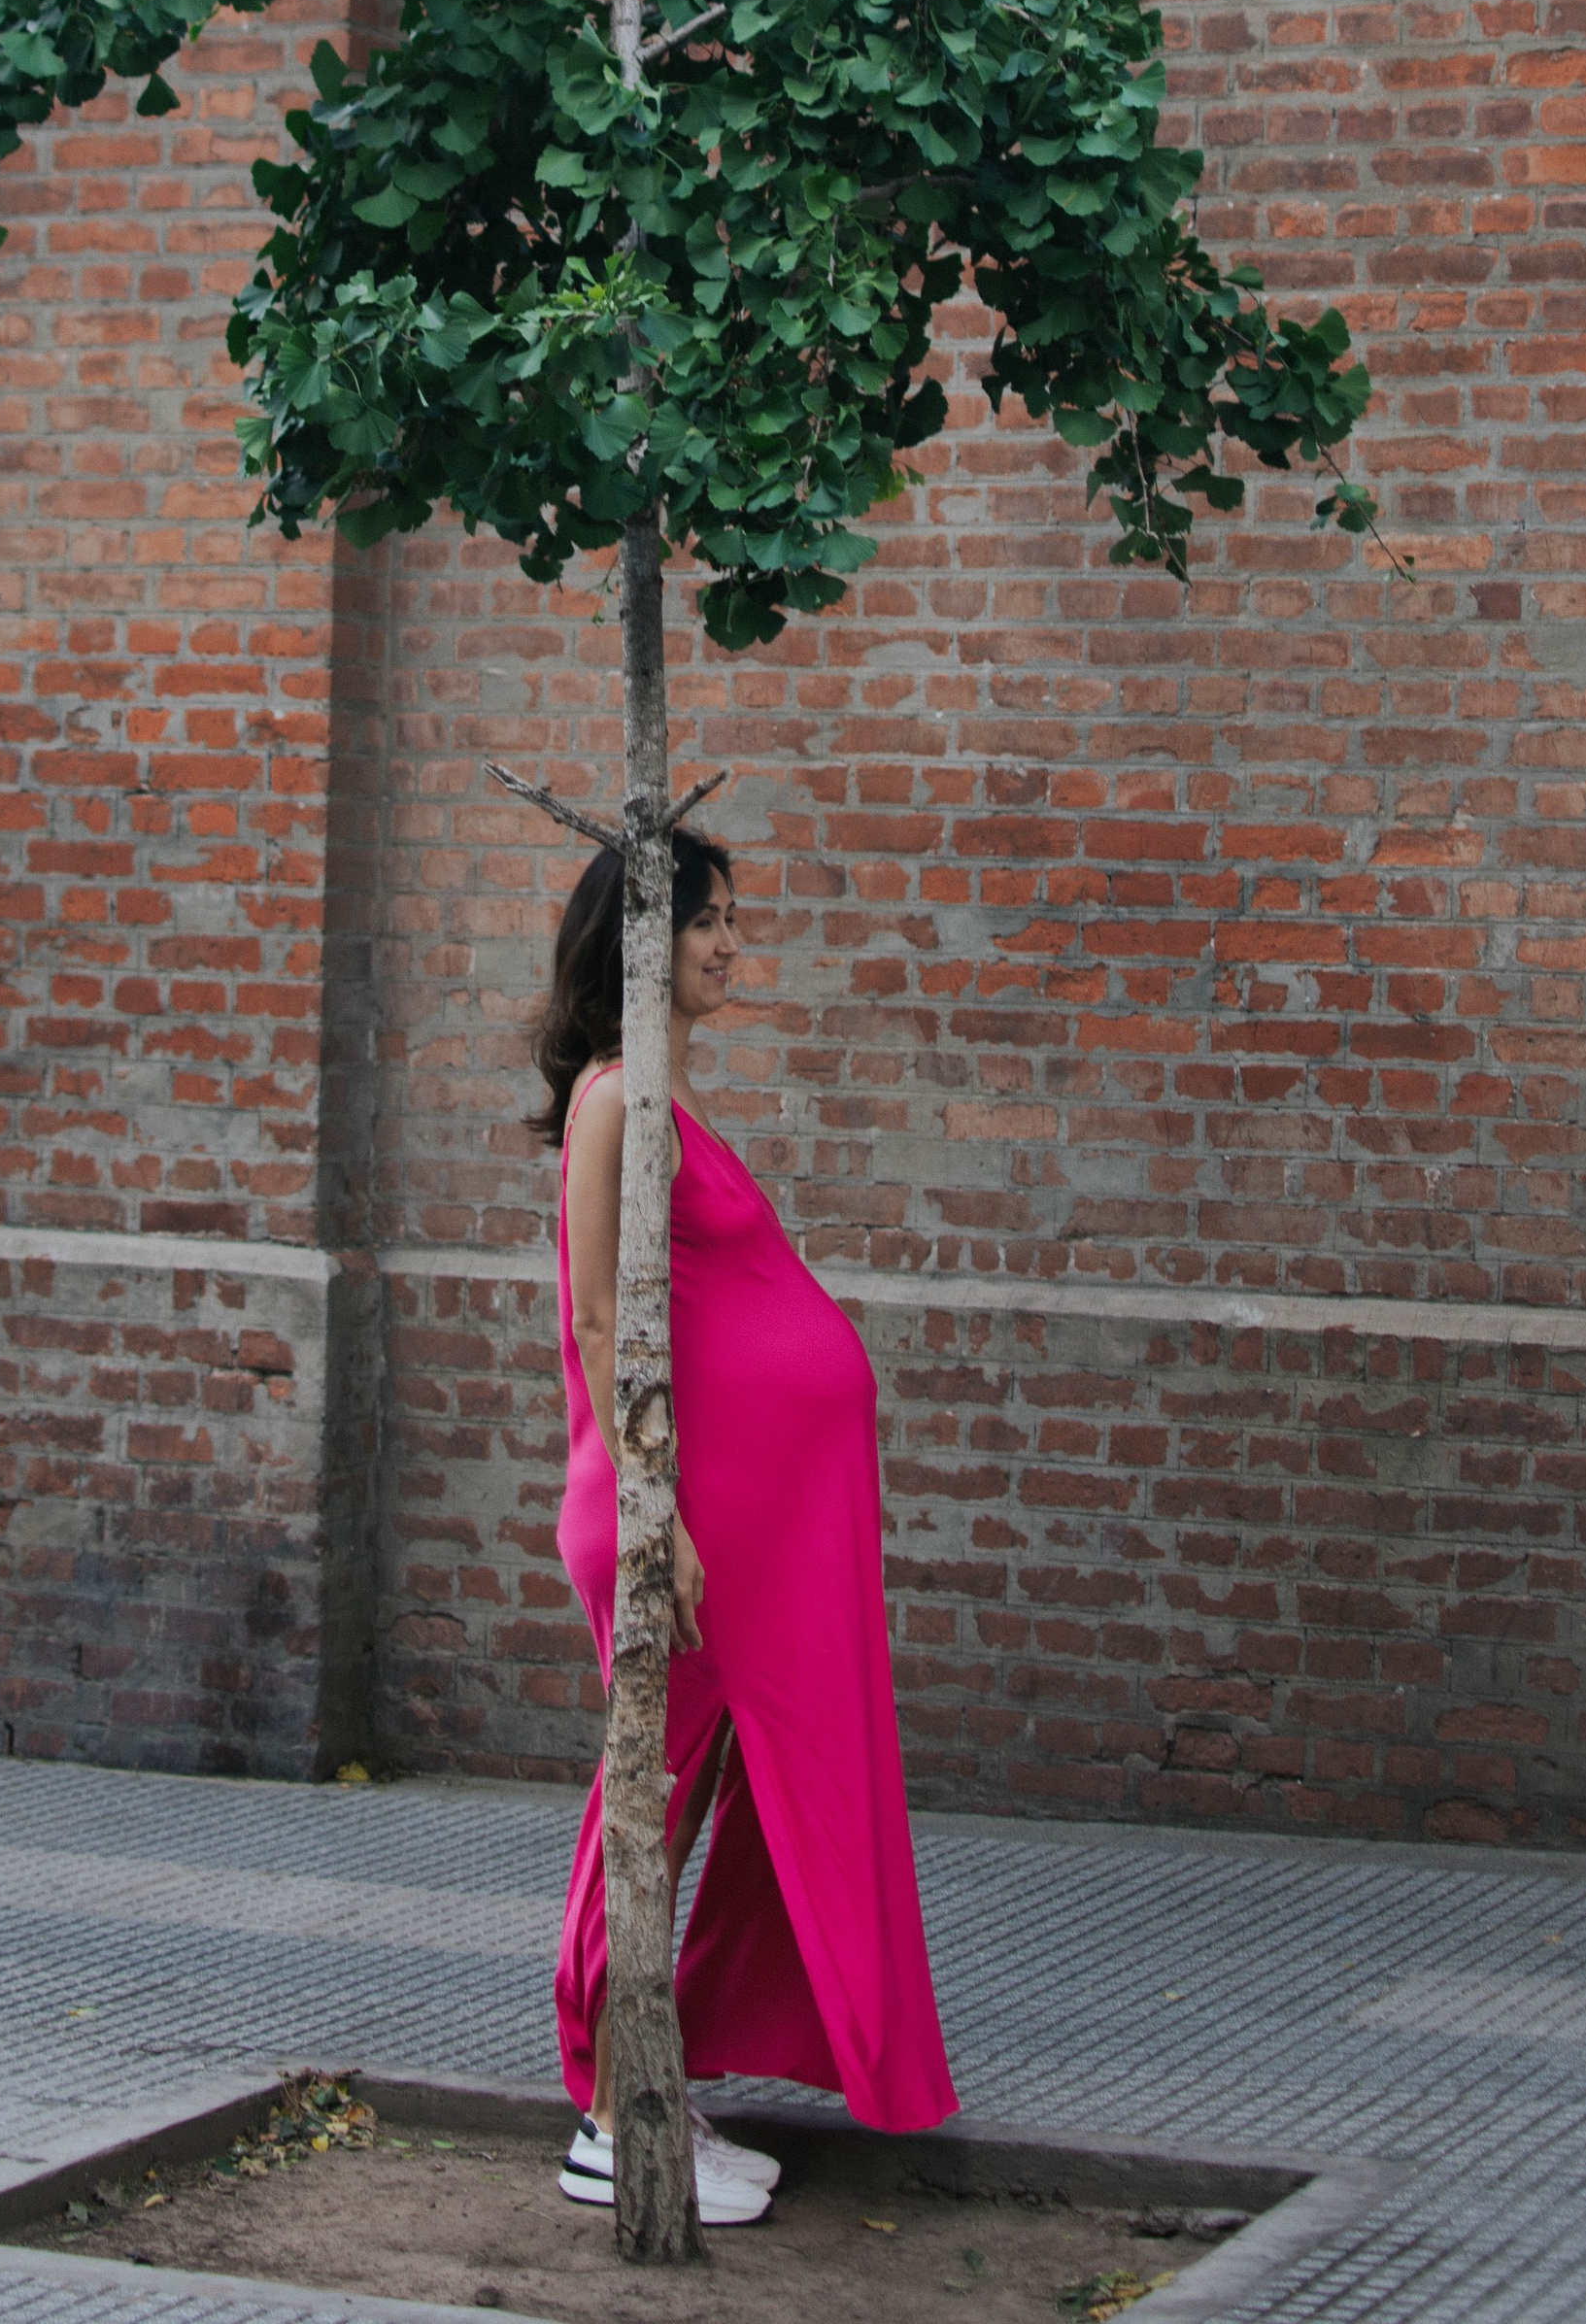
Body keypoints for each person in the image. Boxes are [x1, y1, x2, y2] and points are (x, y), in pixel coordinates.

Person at [541, 830, 959, 2224]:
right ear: (643, 941)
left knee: (711, 1798)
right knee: (647, 1805)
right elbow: (599, 1318)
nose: (732, 943)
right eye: (709, 923)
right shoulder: (614, 1102)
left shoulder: (668, 1103)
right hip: (674, 1518)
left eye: (732, 919)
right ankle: (610, 2121)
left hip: (739, 1524)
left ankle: (655, 2097)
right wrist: (660, 1509)